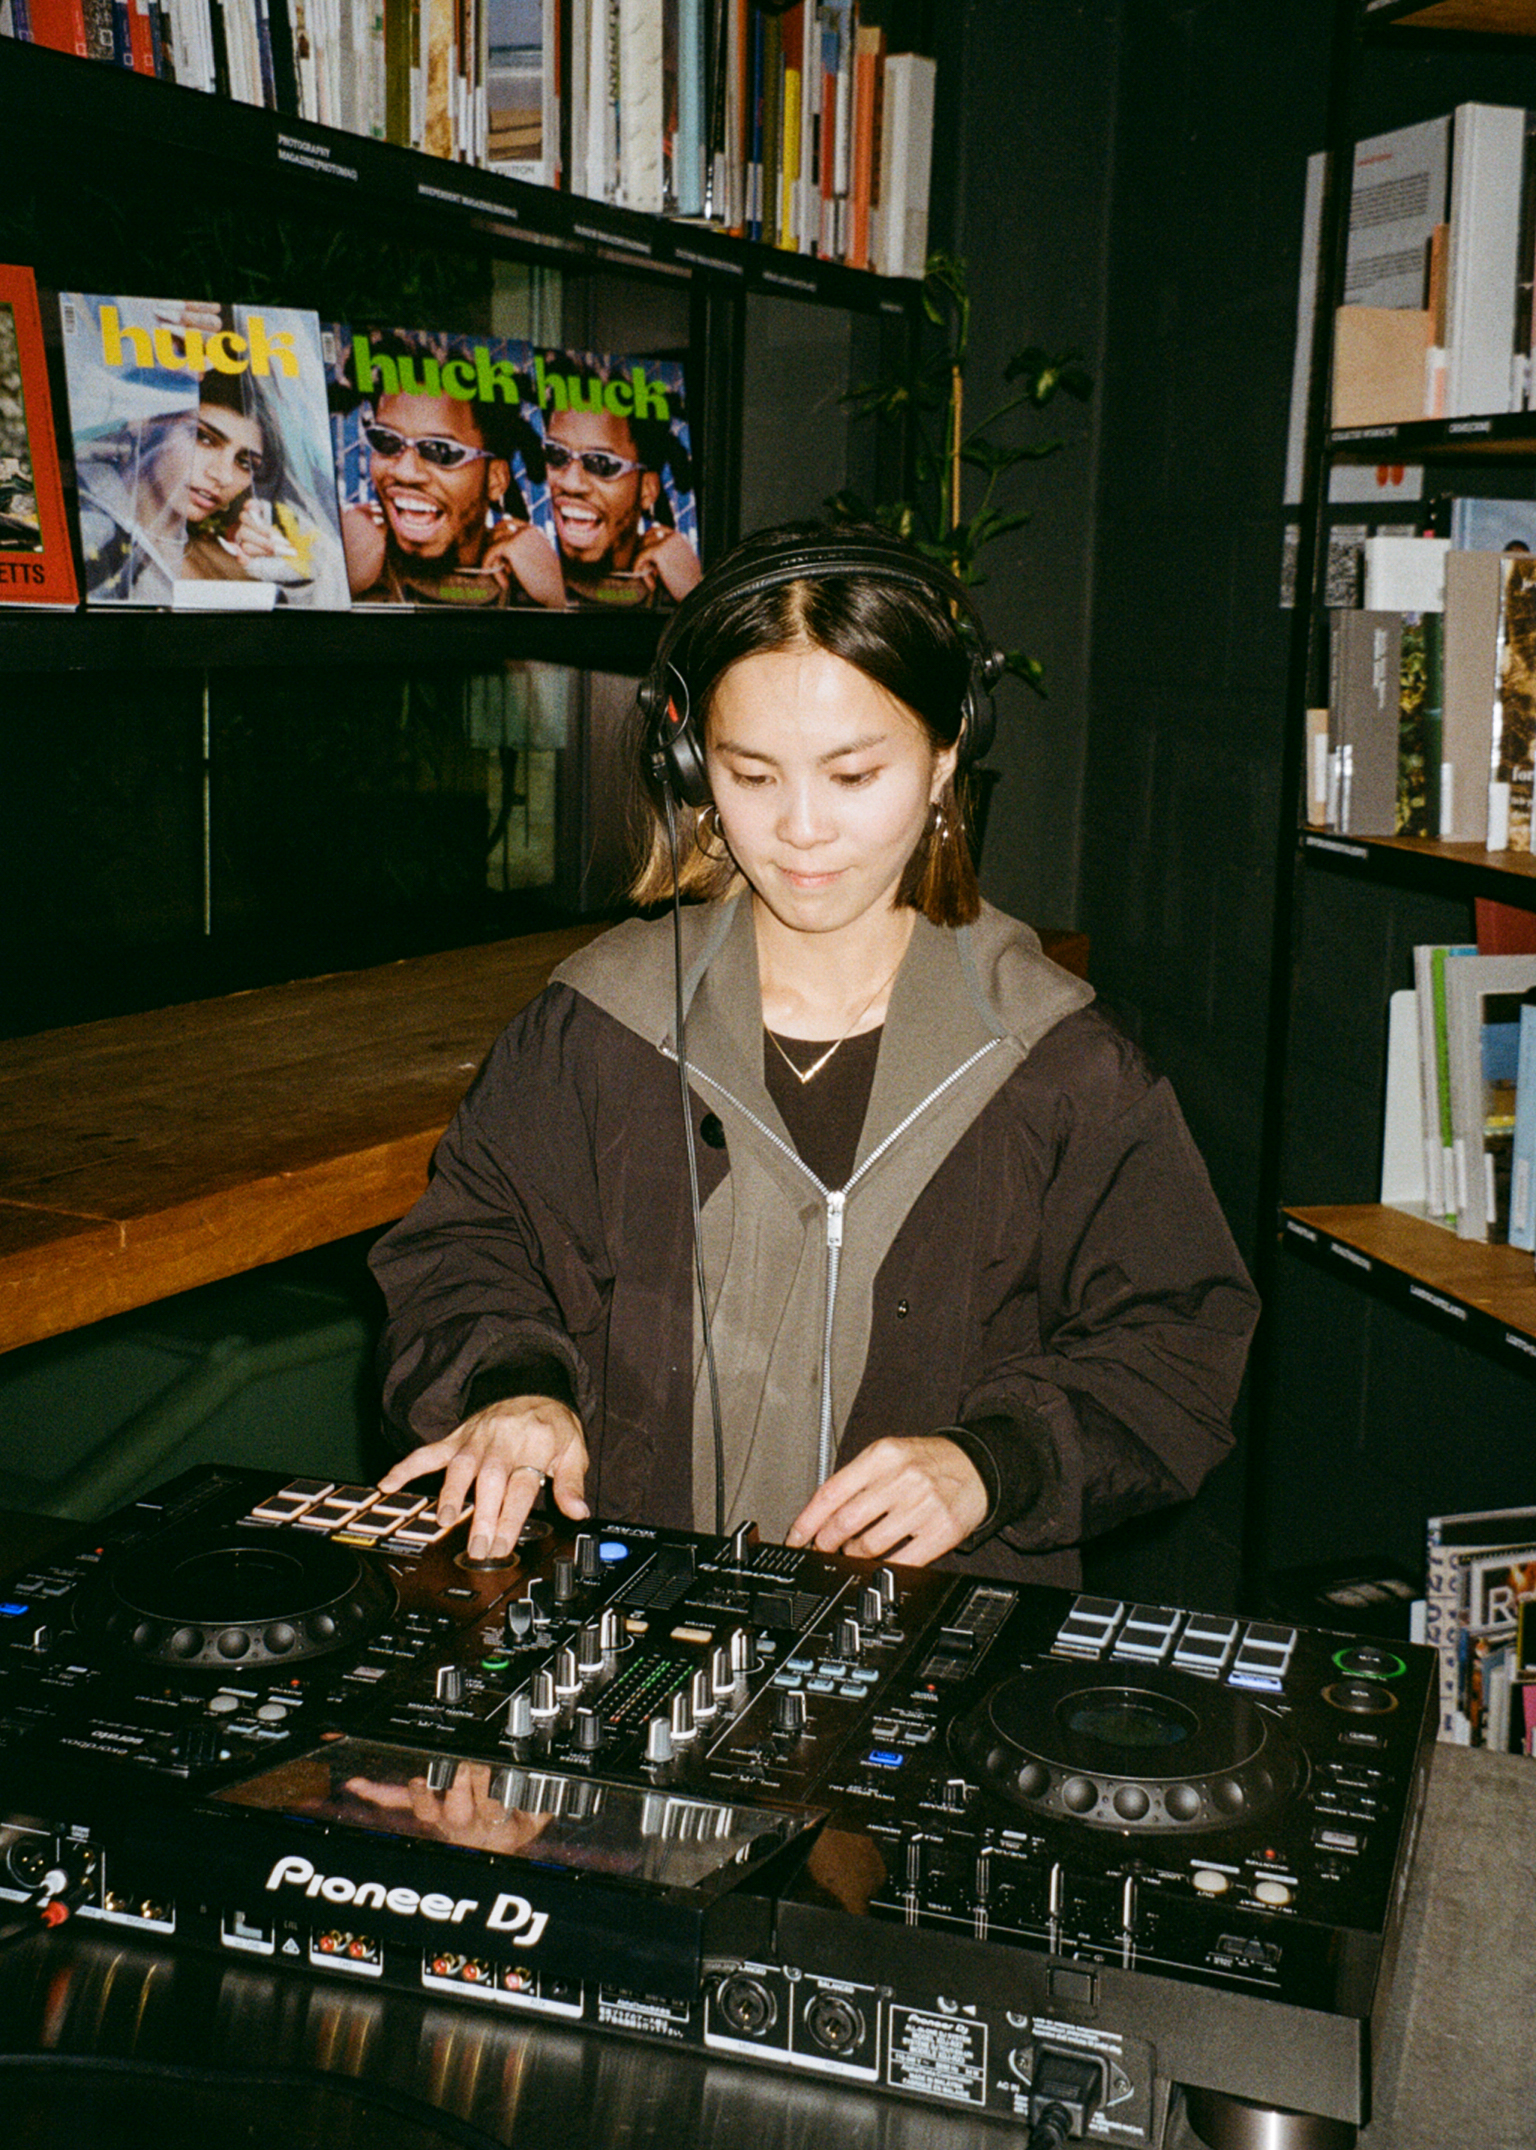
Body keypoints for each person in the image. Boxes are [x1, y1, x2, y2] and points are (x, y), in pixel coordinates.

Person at [369, 523, 1258, 1586]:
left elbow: (1176, 1346)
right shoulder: (596, 1025)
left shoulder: (1060, 1064)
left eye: (851, 774)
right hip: (633, 1612)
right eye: (752, 775)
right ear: (693, 767)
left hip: (934, 1641)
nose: (799, 830)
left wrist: (992, 1463)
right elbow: (469, 1244)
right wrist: (511, 1385)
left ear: (943, 757)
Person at [343, 383, 564, 609]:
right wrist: (335, 573)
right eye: (386, 441)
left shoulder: (534, 584)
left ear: (495, 480)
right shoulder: (348, 564)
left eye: (440, 450)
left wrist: (556, 595)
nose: (405, 472)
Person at [543, 392, 702, 608]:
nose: (572, 483)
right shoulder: (513, 569)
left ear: (647, 490)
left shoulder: (677, 585)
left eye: (602, 463)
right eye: (556, 454)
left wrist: (696, 597)